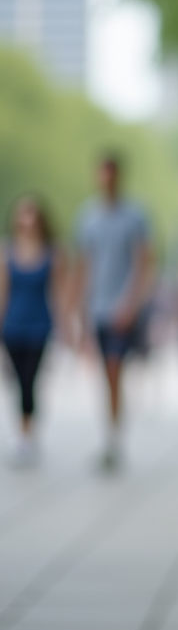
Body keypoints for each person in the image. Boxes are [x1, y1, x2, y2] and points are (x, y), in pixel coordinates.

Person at [74, 153, 155, 472]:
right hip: (97, 307)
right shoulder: (88, 217)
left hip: (122, 309)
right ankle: (110, 432)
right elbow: (84, 265)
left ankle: (113, 439)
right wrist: (79, 311)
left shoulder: (135, 216)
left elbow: (143, 262)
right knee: (105, 375)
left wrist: (131, 304)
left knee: (114, 367)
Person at [1, 196, 67, 467]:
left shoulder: (52, 253)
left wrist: (66, 327)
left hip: (39, 327)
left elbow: (58, 293)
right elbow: (3, 292)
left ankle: (26, 434)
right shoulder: (7, 252)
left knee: (30, 380)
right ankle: (24, 430)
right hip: (12, 326)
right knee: (18, 382)